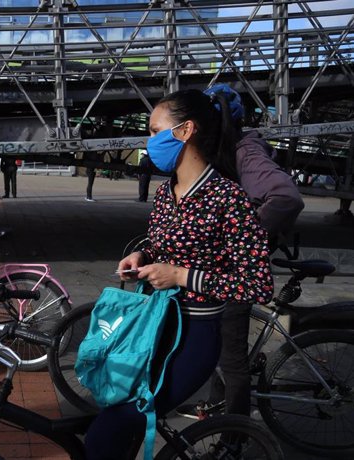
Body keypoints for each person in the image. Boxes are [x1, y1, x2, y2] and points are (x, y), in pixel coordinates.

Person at [85, 89, 274, 459]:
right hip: (153, 326)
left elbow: (257, 282)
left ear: (185, 131)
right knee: (119, 426)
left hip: (195, 338)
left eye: (155, 131)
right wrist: (144, 255)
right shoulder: (164, 192)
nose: (149, 141)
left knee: (105, 435)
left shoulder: (227, 198)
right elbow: (161, 246)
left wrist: (181, 276)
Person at [174, 84, 304, 420]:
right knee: (222, 350)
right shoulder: (222, 149)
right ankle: (218, 410)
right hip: (219, 271)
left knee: (232, 361)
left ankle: (234, 440)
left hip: (234, 274)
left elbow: (285, 199)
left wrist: (240, 237)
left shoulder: (245, 152)